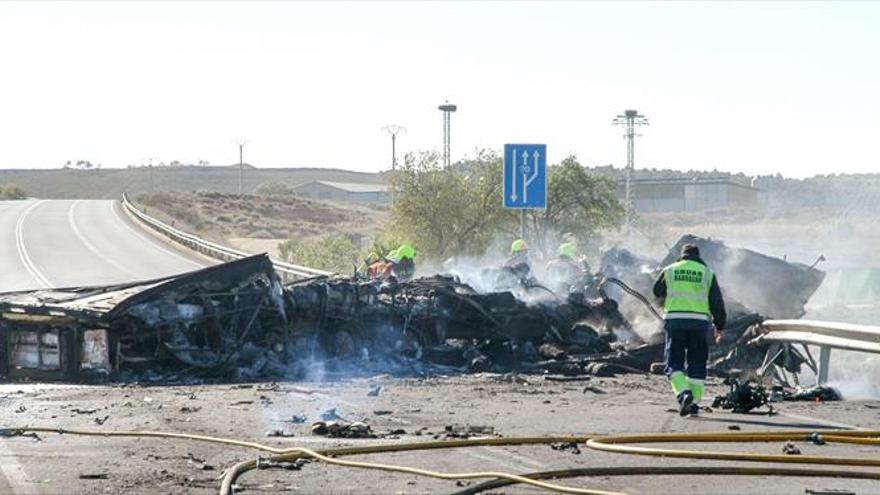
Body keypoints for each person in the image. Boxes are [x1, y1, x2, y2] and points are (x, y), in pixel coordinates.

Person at [653, 243, 726, 416]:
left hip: (675, 322)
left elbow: (657, 291)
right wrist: (720, 326)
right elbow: (717, 302)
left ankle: (683, 394)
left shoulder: (670, 270)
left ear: (682, 255)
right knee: (697, 361)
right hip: (699, 324)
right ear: (698, 256)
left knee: (673, 362)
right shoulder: (707, 273)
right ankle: (693, 403)